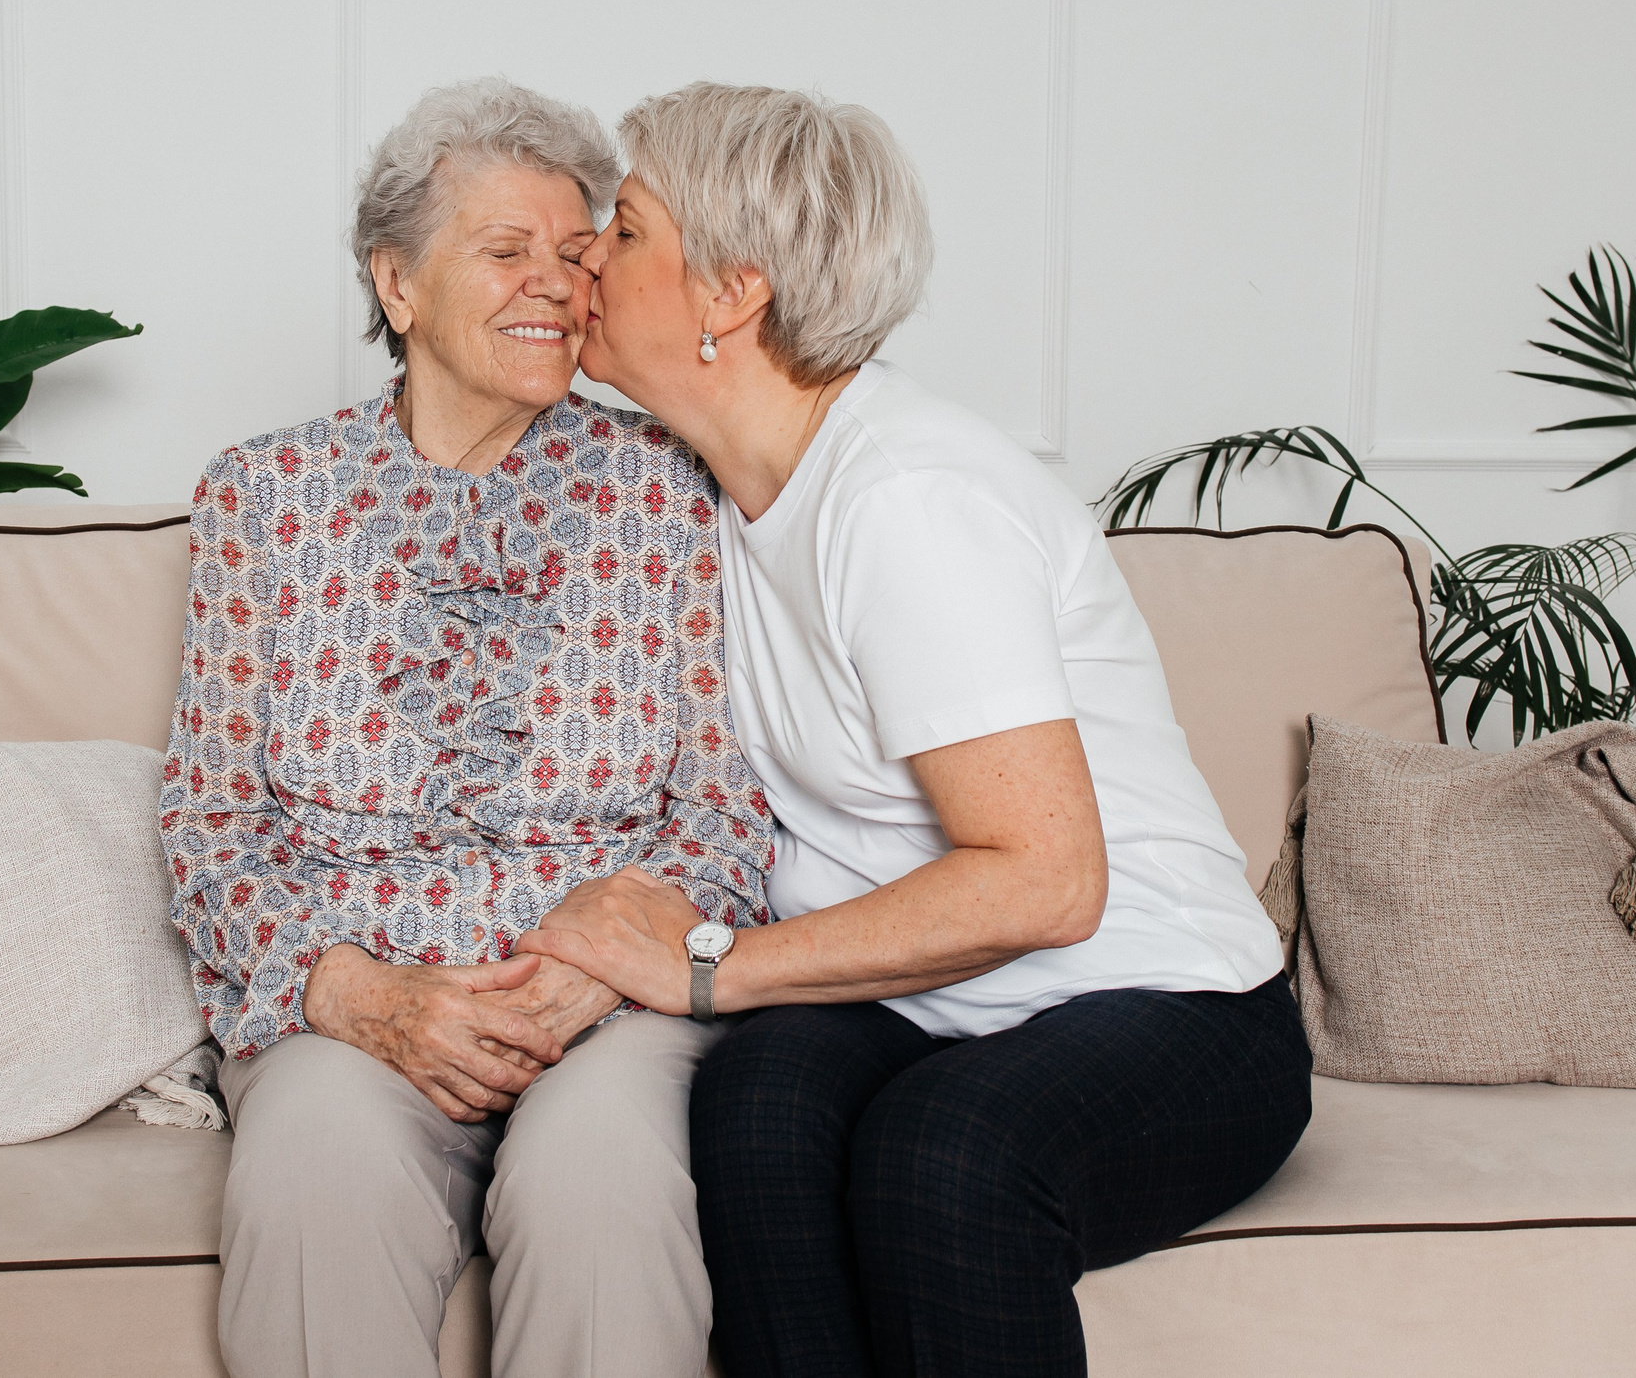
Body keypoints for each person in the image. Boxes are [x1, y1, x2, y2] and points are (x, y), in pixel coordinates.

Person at [518, 83, 1311, 1378]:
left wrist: (710, 965)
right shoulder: (705, 485)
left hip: (1165, 1002)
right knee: (757, 1112)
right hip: (926, 995)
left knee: (944, 1159)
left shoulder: (908, 502)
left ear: (733, 292)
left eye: (627, 226)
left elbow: (1048, 882)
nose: (585, 253)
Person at [157, 77, 772, 1378]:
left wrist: (606, 967)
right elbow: (210, 826)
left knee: (604, 1188)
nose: (552, 282)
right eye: (504, 251)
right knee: (315, 1177)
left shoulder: (671, 489)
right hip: (355, 1012)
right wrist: (360, 994)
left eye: (574, 252)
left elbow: (728, 810)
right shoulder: (264, 498)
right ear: (398, 284)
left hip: (608, 1014)